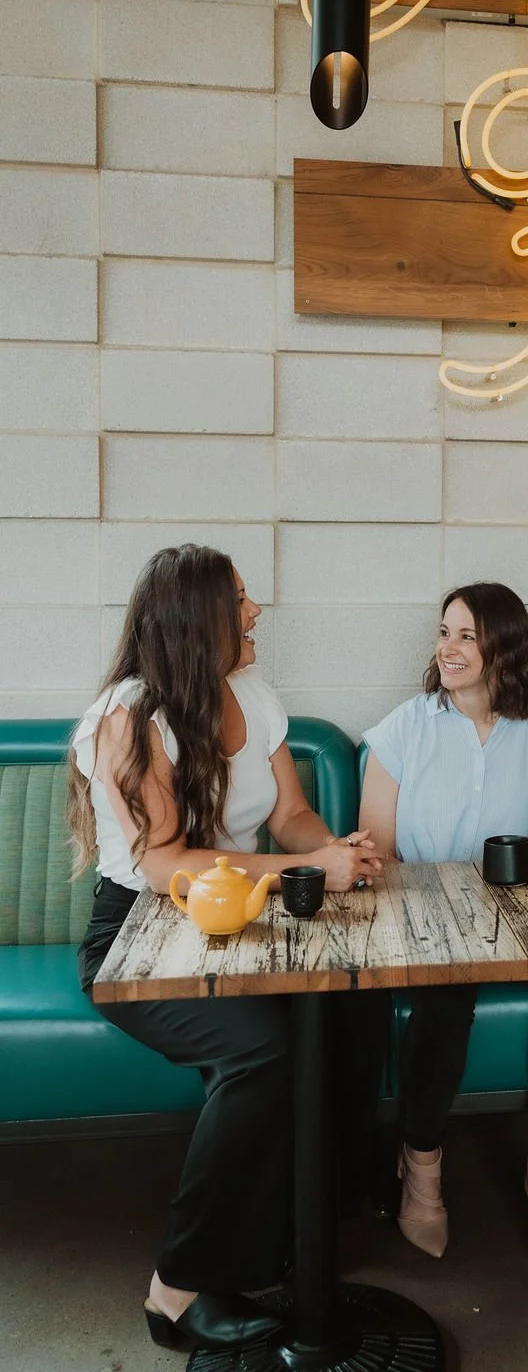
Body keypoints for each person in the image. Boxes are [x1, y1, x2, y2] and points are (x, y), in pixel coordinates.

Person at [69, 544, 383, 1354]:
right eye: (240, 600)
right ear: (195, 622)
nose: (254, 611)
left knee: (356, 1010)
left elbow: (291, 817)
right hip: (140, 934)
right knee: (260, 1056)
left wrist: (334, 850)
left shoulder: (254, 696)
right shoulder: (128, 719)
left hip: (246, 921)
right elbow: (165, 863)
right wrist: (302, 868)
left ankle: (303, 1232)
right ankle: (174, 1293)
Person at [359, 582, 528, 1278]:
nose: (448, 648)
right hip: (423, 916)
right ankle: (421, 1167)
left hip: (519, 916)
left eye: (466, 635)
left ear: (505, 646)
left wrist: (517, 918)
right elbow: (378, 850)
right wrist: (450, 917)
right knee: (445, 995)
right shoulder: (405, 726)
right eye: (444, 633)